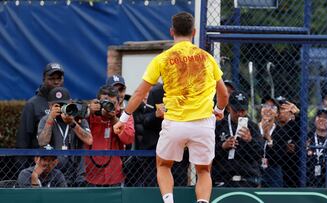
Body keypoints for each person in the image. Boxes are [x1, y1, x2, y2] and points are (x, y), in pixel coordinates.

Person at [113, 12, 228, 203]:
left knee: (164, 165)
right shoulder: (207, 58)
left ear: (171, 31)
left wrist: (123, 119)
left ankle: (168, 201)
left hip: (175, 122)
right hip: (203, 123)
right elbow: (223, 94)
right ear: (194, 32)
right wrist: (220, 110)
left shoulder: (162, 59)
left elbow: (140, 93)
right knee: (203, 170)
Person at [37, 87, 93, 187]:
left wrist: (72, 123)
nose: (61, 108)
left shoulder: (78, 118)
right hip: (53, 175)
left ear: (70, 103)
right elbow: (42, 142)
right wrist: (50, 119)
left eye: (64, 104)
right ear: (50, 106)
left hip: (77, 174)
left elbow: (89, 140)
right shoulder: (45, 120)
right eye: (57, 105)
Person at [86, 85, 134, 187]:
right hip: (91, 175)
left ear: (118, 102)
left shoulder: (123, 115)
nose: (109, 106)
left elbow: (129, 139)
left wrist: (114, 120)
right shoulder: (92, 114)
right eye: (105, 103)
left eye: (113, 103)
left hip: (115, 175)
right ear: (98, 102)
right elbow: (73, 117)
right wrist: (89, 110)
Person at [212, 91, 262, 187]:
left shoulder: (253, 127)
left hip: (248, 178)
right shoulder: (219, 125)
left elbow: (259, 153)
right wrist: (222, 146)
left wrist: (250, 141)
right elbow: (207, 152)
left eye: (242, 110)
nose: (239, 114)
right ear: (228, 107)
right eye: (236, 110)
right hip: (223, 179)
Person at [275, 96, 301, 187]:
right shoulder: (270, 126)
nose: (279, 112)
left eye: (282, 108)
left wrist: (299, 114)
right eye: (277, 108)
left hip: (295, 174)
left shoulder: (298, 126)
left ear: (292, 112)